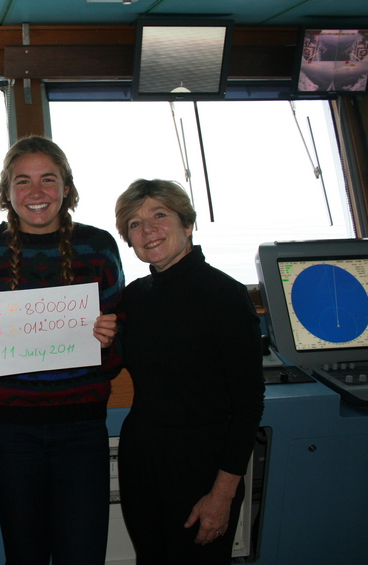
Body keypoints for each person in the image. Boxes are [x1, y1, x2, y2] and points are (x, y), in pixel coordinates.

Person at [0, 136, 124, 564]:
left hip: (81, 430)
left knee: (83, 555)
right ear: (6, 192)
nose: (36, 193)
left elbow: (120, 346)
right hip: (7, 432)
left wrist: (110, 337)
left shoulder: (100, 246)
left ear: (66, 188)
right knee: (25, 555)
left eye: (48, 180)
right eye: (23, 181)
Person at [113, 179, 265, 565]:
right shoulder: (134, 296)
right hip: (141, 462)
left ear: (187, 224)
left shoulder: (226, 296)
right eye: (134, 222)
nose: (147, 229)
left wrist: (223, 494)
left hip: (203, 469)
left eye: (159, 215)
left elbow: (248, 406)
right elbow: (109, 361)